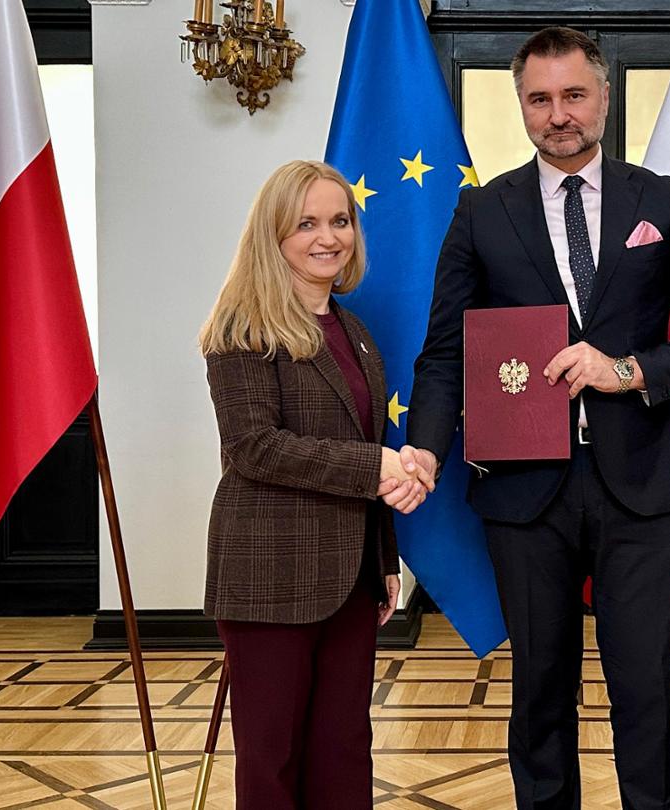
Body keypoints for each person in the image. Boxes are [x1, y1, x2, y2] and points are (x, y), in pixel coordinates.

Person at [402, 26, 670, 810]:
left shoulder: (663, 200)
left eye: (573, 95)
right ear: (522, 105)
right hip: (524, 493)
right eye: (539, 99)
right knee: (540, 690)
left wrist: (625, 371)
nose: (559, 114)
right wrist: (423, 450)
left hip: (642, 489)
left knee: (646, 687)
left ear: (604, 97)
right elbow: (444, 353)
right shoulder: (481, 212)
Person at [198, 159, 430, 809]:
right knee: (274, 763)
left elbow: (363, 447)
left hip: (350, 578)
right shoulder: (242, 327)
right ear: (273, 236)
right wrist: (377, 468)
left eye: (340, 220)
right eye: (306, 224)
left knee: (344, 753)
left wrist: (382, 560)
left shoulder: (353, 333)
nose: (328, 237)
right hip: (270, 578)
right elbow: (253, 449)